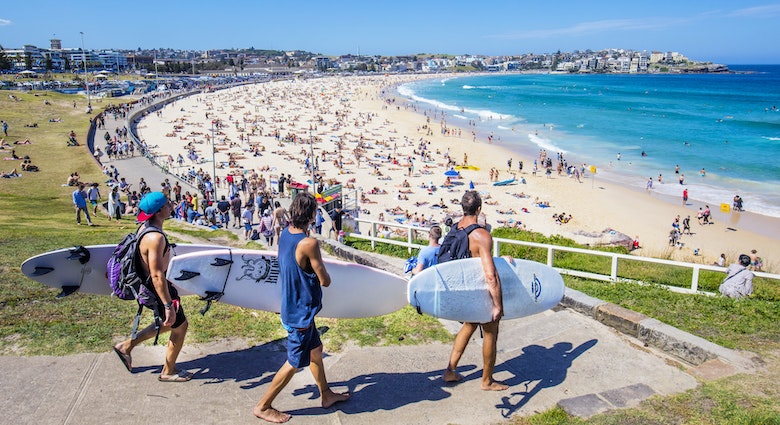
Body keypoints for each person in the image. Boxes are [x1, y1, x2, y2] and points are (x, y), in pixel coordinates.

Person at [253, 192, 349, 422]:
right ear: (312, 214)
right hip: (300, 313)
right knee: (294, 363)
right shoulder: (309, 243)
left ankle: (326, 394)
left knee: (316, 351)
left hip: (291, 305)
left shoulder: (285, 234)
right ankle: (263, 406)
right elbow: (324, 280)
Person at [113, 192, 192, 381]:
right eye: (167, 204)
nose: (170, 206)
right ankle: (168, 371)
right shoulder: (155, 238)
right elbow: (156, 274)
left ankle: (126, 347)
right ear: (159, 211)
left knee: (169, 324)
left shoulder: (145, 228)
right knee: (180, 327)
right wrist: (167, 305)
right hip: (157, 290)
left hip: (154, 287)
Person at [443, 190, 508, 391]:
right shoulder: (481, 235)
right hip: (480, 291)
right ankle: (487, 381)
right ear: (479, 209)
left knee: (469, 326)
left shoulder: (455, 228)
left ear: (463, 208)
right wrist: (497, 304)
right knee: (490, 333)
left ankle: (450, 371)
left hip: (463, 289)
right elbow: (490, 275)